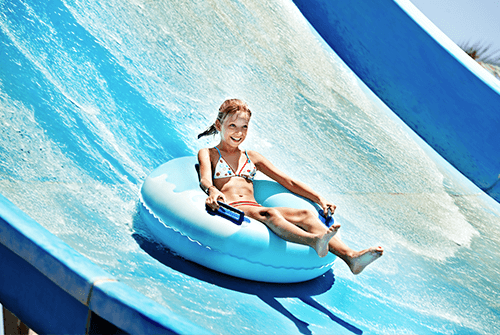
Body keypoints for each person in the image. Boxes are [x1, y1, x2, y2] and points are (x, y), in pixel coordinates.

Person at [197, 99, 383, 274]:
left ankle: (351, 257)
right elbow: (205, 179)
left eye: (244, 127)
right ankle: (313, 241)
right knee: (271, 214)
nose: (239, 133)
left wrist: (319, 199)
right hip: (234, 208)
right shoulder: (209, 153)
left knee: (305, 215)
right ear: (219, 125)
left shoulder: (252, 157)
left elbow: (288, 182)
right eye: (233, 126)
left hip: (255, 206)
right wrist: (213, 190)